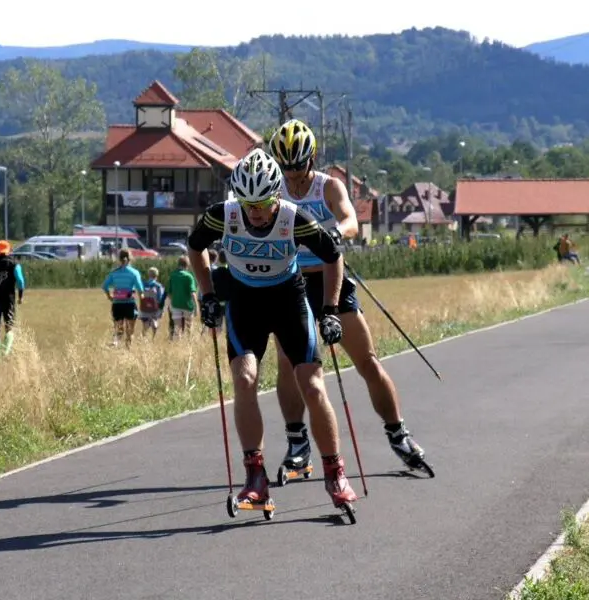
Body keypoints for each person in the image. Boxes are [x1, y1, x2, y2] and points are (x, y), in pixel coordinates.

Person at [186, 148, 358, 510]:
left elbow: (333, 256)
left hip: (288, 302)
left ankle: (335, 473)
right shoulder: (223, 216)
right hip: (245, 304)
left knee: (311, 384)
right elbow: (195, 246)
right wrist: (208, 295)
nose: (256, 212)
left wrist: (328, 310)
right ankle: (256, 478)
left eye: (263, 203)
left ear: (276, 195)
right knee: (245, 379)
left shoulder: (294, 219)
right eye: (248, 204)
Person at [267, 118, 430, 475]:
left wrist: (334, 233)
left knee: (367, 361)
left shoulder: (329, 186)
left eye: (298, 167)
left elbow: (350, 220)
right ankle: (298, 443)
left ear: (311, 160)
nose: (293, 176)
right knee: (289, 367)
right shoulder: (275, 189)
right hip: (290, 286)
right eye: (286, 169)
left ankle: (398, 434)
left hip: (331, 280)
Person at [101, 249, 144, 348]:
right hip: (130, 304)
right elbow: (140, 291)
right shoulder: (134, 272)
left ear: (119, 259)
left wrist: (109, 296)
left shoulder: (114, 273)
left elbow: (104, 286)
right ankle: (128, 350)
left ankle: (115, 344)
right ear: (130, 259)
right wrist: (141, 305)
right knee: (130, 331)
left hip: (117, 304)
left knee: (119, 330)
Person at [167, 255, 198, 339]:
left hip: (176, 305)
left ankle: (177, 346)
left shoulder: (173, 275)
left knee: (177, 328)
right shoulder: (189, 276)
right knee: (189, 327)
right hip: (187, 305)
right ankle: (188, 345)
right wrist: (196, 307)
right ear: (187, 265)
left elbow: (169, 293)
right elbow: (193, 293)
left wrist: (170, 304)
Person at [139, 266, 167, 339]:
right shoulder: (158, 286)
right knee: (154, 321)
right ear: (157, 275)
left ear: (149, 274)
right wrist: (162, 309)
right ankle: (153, 338)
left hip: (144, 307)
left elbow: (140, 294)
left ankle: (143, 338)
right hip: (154, 308)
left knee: (145, 325)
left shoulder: (143, 284)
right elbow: (160, 298)